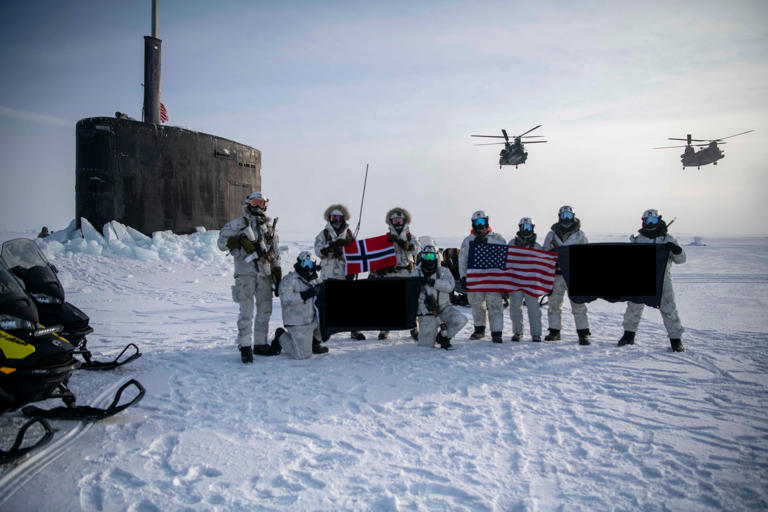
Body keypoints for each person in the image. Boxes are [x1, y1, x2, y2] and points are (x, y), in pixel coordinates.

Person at [217, 192, 282, 363]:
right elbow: (221, 243)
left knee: (265, 309)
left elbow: (275, 252)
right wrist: (236, 241)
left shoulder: (269, 228)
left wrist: (277, 271)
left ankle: (260, 344)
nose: (258, 206)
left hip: (264, 273)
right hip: (245, 273)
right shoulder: (238, 224)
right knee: (246, 311)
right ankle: (245, 346)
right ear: (248, 203)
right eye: (255, 202)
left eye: (261, 203)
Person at [618, 209, 686, 352]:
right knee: (634, 308)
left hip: (663, 281)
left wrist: (676, 249)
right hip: (641, 278)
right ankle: (628, 335)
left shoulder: (668, 239)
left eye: (653, 221)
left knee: (669, 309)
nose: (650, 224)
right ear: (643, 221)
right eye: (647, 221)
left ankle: (676, 340)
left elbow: (681, 260)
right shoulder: (639, 239)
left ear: (659, 220)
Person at [313, 204, 364, 340]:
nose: (335, 220)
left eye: (338, 217)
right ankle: (325, 330)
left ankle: (354, 329)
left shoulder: (348, 234)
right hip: (328, 273)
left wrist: (353, 270)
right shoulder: (323, 234)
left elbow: (355, 253)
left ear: (343, 218)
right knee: (327, 304)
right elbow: (318, 251)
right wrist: (332, 246)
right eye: (332, 217)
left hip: (344, 273)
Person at [542, 205, 591, 345]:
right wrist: (552, 252)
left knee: (578, 304)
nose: (566, 219)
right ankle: (554, 331)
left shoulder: (579, 234)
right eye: (563, 216)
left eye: (569, 216)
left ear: (573, 217)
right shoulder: (552, 234)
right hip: (556, 274)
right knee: (554, 304)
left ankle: (583, 333)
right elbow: (545, 251)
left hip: (573, 274)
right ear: (559, 217)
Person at [370, 207, 421, 340]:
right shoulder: (385, 239)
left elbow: (415, 250)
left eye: (400, 220)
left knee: (409, 302)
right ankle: (385, 327)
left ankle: (413, 327)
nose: (397, 222)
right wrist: (376, 269)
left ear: (404, 221)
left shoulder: (411, 237)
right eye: (395, 220)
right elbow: (377, 255)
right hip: (389, 274)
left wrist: (401, 242)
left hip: (407, 273)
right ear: (390, 222)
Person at [459, 210, 507, 343]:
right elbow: (463, 260)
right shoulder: (468, 241)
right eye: (477, 222)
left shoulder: (497, 239)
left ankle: (497, 332)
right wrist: (463, 277)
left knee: (495, 305)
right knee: (477, 305)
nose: (480, 225)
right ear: (473, 224)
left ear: (487, 221)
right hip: (476, 279)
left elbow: (505, 258)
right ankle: (479, 329)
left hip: (493, 279)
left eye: (482, 222)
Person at [272, 251, 328, 359]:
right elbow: (285, 298)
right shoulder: (290, 280)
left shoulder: (316, 280)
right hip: (297, 322)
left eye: (310, 264)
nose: (307, 267)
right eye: (304, 263)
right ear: (299, 263)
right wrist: (305, 294)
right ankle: (281, 336)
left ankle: (314, 343)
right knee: (302, 355)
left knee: (328, 322)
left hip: (312, 320)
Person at [411, 242, 468, 350]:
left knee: (460, 320)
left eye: (431, 256)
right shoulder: (416, 274)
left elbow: (450, 287)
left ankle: (443, 338)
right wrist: (423, 307)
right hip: (426, 312)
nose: (428, 259)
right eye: (426, 255)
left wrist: (434, 282)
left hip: (444, 308)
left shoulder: (444, 271)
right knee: (426, 346)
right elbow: (411, 295)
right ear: (421, 256)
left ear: (436, 256)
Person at [508, 217, 543, 342]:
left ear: (532, 228)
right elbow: (506, 262)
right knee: (515, 309)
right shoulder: (512, 243)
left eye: (528, 227)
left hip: (531, 282)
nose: (526, 230)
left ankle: (536, 334)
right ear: (519, 228)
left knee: (534, 309)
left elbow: (543, 265)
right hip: (515, 281)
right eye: (524, 227)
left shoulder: (537, 246)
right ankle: (518, 332)